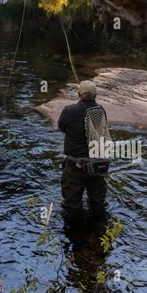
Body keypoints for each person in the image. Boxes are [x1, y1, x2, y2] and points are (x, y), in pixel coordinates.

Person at [58, 80, 110, 222]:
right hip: (97, 165)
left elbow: (61, 127)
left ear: (79, 94)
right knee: (98, 204)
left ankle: (76, 235)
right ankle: (99, 232)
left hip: (75, 167)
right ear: (96, 95)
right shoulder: (100, 110)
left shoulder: (69, 111)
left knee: (72, 206)